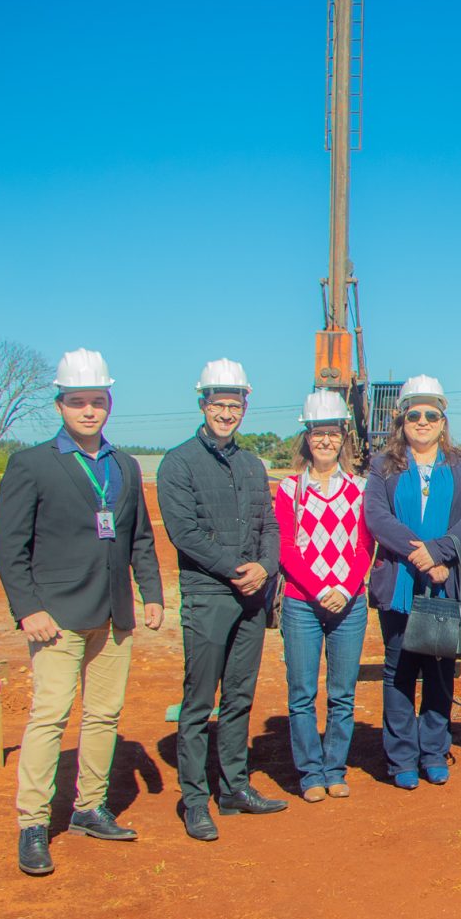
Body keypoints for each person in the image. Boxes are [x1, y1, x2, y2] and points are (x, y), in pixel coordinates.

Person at [0, 349, 164, 876]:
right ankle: (33, 823)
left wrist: (152, 593)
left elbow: (138, 535)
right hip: (57, 617)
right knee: (49, 716)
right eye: (77, 402)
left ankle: (90, 806)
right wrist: (28, 610)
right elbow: (9, 545)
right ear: (60, 405)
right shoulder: (32, 464)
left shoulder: (124, 466)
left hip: (114, 614)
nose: (88, 411)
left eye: (96, 401)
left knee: (104, 715)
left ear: (108, 404)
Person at [159, 358, 285, 842]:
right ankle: (195, 799)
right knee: (198, 702)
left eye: (234, 406)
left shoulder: (252, 464)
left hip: (252, 597)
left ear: (245, 407)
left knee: (239, 697)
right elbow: (184, 533)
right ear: (203, 404)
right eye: (218, 405)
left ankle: (234, 788)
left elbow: (269, 526)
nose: (226, 413)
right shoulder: (179, 462)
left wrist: (265, 567)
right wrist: (237, 570)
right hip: (209, 594)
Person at [364, 375, 461, 790]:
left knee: (439, 668)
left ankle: (434, 750)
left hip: (447, 580)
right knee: (399, 669)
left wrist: (439, 553)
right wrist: (420, 555)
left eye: (430, 415)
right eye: (414, 414)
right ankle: (401, 756)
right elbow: (378, 518)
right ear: (401, 419)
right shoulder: (384, 466)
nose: (422, 421)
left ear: (442, 420)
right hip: (400, 581)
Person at [276, 390, 374, 803]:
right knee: (301, 692)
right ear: (307, 437)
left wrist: (345, 589)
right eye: (318, 433)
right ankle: (309, 772)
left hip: (348, 605)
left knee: (342, 693)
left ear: (343, 438)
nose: (325, 442)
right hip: (302, 603)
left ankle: (335, 768)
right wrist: (318, 591)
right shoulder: (289, 489)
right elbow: (286, 548)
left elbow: (364, 546)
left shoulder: (360, 488)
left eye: (332, 434)